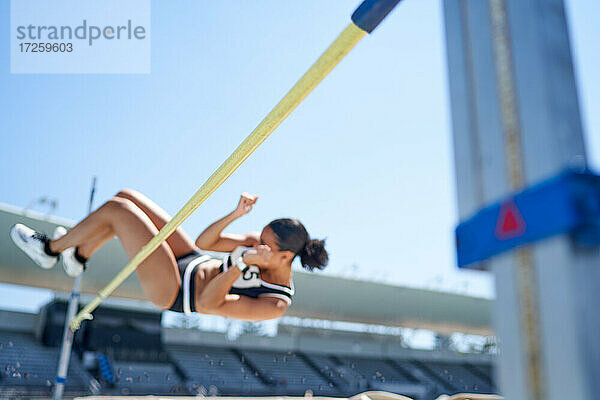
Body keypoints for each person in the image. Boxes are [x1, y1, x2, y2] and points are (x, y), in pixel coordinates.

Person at [10, 190, 328, 321]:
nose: (257, 243)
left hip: (177, 291)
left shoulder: (275, 303)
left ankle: (50, 250)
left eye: (265, 245)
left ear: (285, 257)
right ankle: (79, 255)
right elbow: (206, 241)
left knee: (120, 213)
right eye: (259, 238)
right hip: (191, 259)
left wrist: (241, 263)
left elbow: (207, 302)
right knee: (127, 196)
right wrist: (235, 214)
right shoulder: (259, 243)